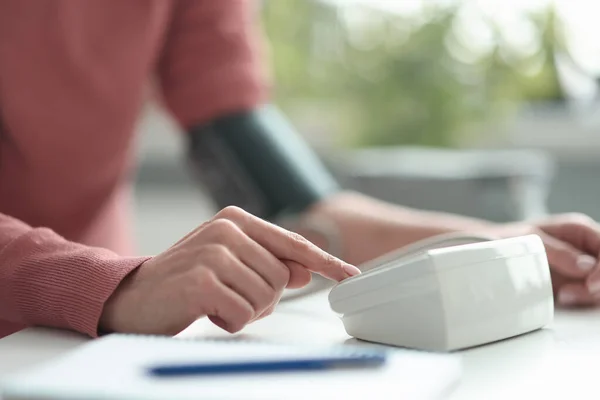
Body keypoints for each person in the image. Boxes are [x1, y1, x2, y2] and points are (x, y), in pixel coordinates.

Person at [1, 0, 599, 340]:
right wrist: (109, 284)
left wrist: (483, 244)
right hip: (92, 304)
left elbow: (286, 199)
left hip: (92, 337)